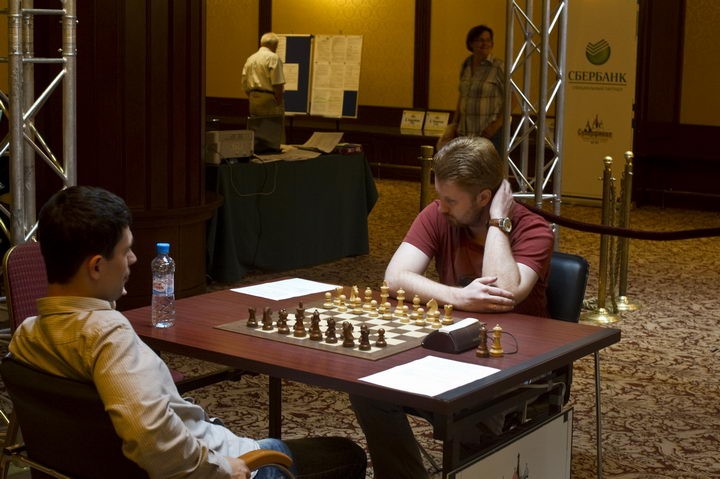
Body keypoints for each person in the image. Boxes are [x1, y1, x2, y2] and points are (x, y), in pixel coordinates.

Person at [9, 186, 366, 479]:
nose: (133, 260)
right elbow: (152, 441)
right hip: (226, 465)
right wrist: (225, 469)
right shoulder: (108, 337)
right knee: (346, 454)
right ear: (97, 267)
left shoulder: (25, 336)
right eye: (126, 251)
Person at [350, 137, 554, 479]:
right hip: (454, 349)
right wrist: (460, 298)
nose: (441, 207)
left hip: (512, 360)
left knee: (472, 403)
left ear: (484, 198)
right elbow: (395, 278)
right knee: (368, 388)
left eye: (451, 200)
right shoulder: (438, 214)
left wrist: (497, 222)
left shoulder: (534, 229)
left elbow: (502, 293)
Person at [438, 25, 507, 153]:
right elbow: (462, 96)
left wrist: (496, 125)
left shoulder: (498, 67)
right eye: (480, 40)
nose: (485, 44)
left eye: (488, 40)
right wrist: (453, 124)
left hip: (488, 135)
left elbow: (513, 98)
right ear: (471, 43)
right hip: (464, 133)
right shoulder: (466, 64)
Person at [242, 32, 286, 118]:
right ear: (275, 45)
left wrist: (253, 95)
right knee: (272, 125)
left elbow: (244, 83)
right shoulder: (273, 58)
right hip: (269, 99)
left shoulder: (250, 59)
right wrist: (278, 103)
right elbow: (277, 84)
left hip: (253, 100)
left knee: (256, 125)